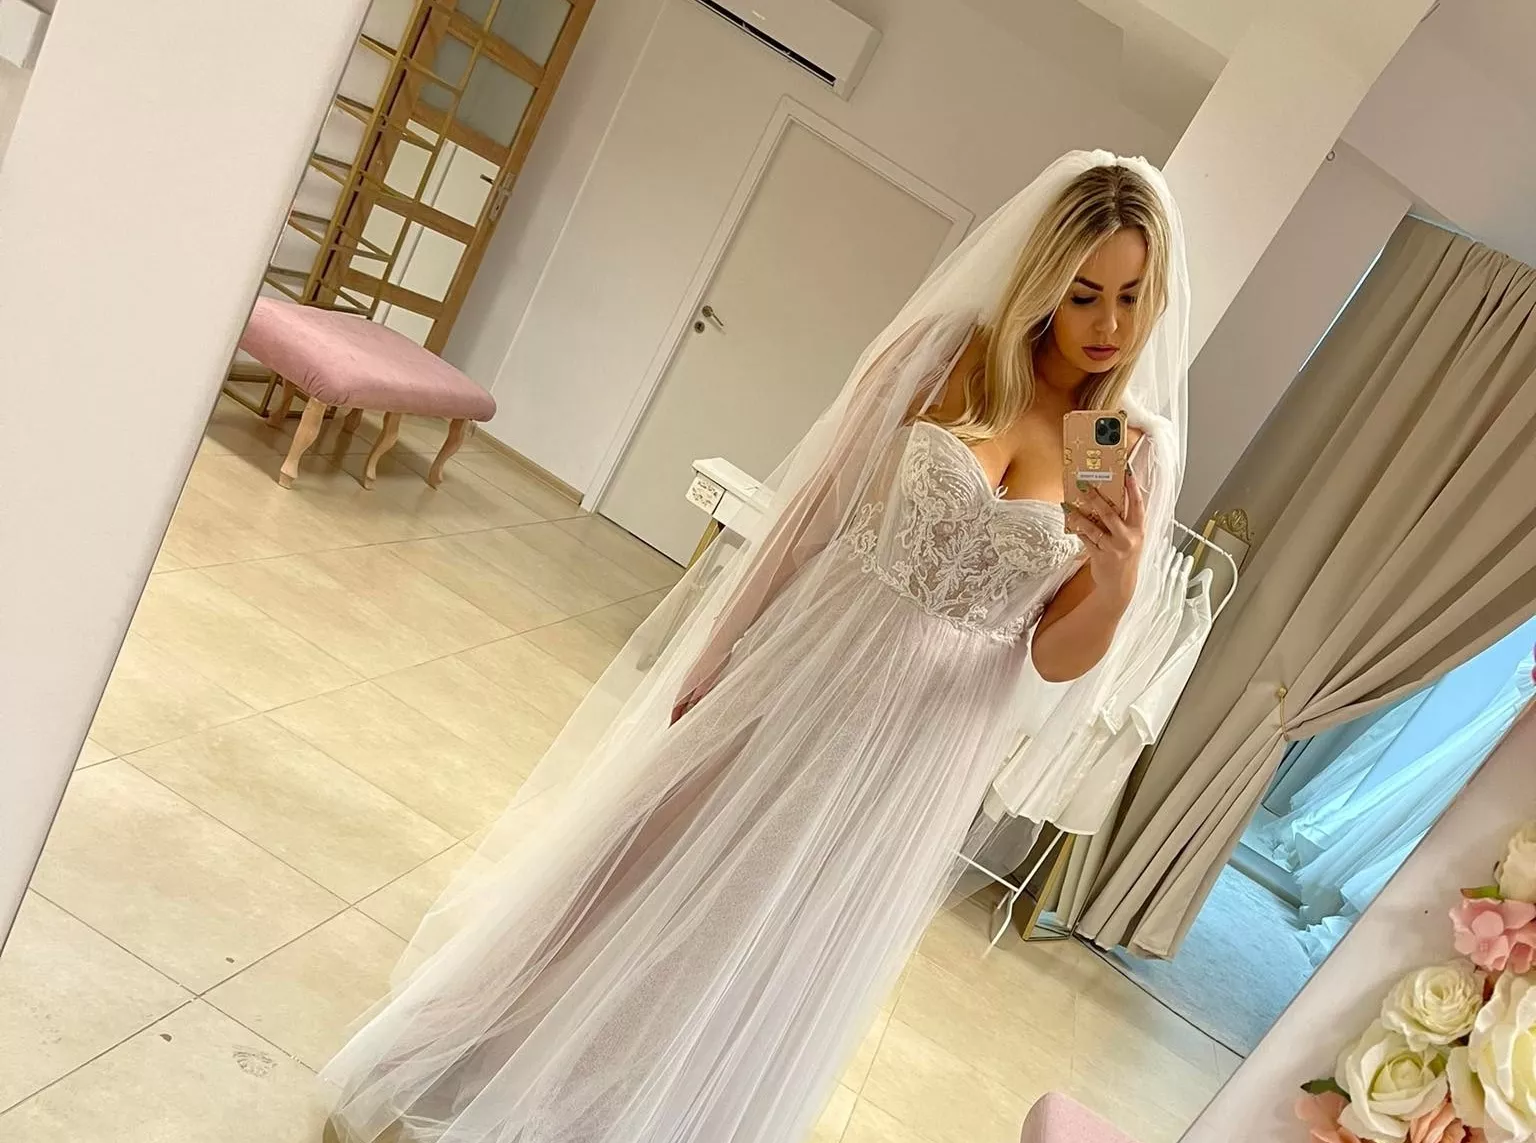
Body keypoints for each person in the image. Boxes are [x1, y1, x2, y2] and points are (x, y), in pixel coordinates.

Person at [322, 150, 1190, 1143]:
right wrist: (718, 650)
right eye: (1084, 295)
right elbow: (811, 515)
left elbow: (1053, 658)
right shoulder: (949, 353)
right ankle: (484, 1065)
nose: (1109, 325)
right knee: (649, 865)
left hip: (921, 746)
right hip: (812, 664)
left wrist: (1119, 584)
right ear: (1043, 279)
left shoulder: (1115, 443)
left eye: (1131, 297)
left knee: (767, 938)